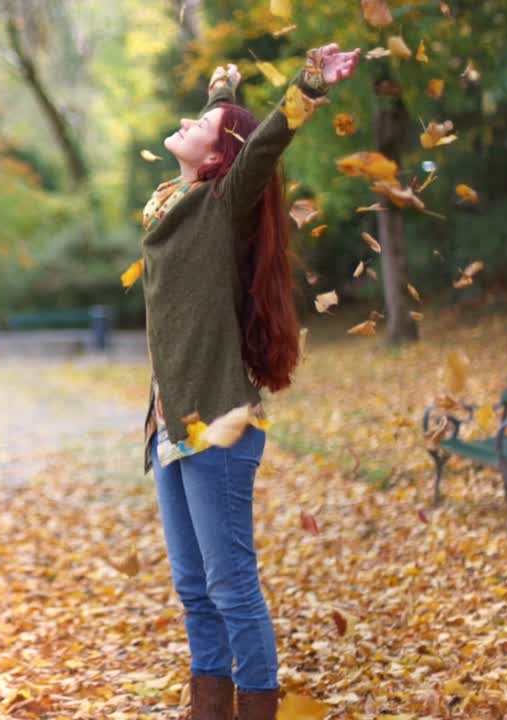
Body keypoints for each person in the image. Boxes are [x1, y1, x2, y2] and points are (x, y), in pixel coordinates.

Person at [137, 44, 360, 720]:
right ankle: (210, 710)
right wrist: (223, 83)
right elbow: (226, 123)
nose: (190, 121)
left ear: (218, 155)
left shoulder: (223, 204)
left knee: (231, 589)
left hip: (220, 425)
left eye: (205, 122)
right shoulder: (174, 202)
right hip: (172, 425)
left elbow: (260, 143)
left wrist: (307, 85)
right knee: (194, 590)